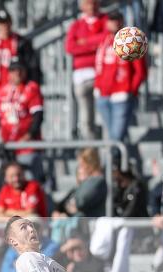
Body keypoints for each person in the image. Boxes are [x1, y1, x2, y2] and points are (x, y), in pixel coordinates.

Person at [94, 10, 146, 143]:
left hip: (121, 95)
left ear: (121, 21)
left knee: (116, 137)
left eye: (116, 19)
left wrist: (130, 90)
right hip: (103, 94)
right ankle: (118, 162)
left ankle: (113, 163)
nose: (113, 23)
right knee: (112, 136)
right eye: (111, 20)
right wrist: (98, 86)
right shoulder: (103, 40)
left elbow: (140, 71)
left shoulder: (131, 41)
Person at [65, 0, 108, 140]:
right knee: (86, 119)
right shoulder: (76, 25)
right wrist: (95, 45)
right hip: (81, 77)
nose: (91, 6)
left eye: (93, 3)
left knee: (104, 116)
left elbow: (108, 39)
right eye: (87, 3)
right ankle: (92, 153)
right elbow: (70, 47)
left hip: (102, 74)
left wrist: (85, 42)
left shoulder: (105, 20)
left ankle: (107, 151)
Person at [58, 148, 107, 218]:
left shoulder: (98, 182)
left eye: (82, 164)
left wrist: (73, 206)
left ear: (90, 163)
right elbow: (66, 202)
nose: (80, 167)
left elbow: (80, 202)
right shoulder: (87, 182)